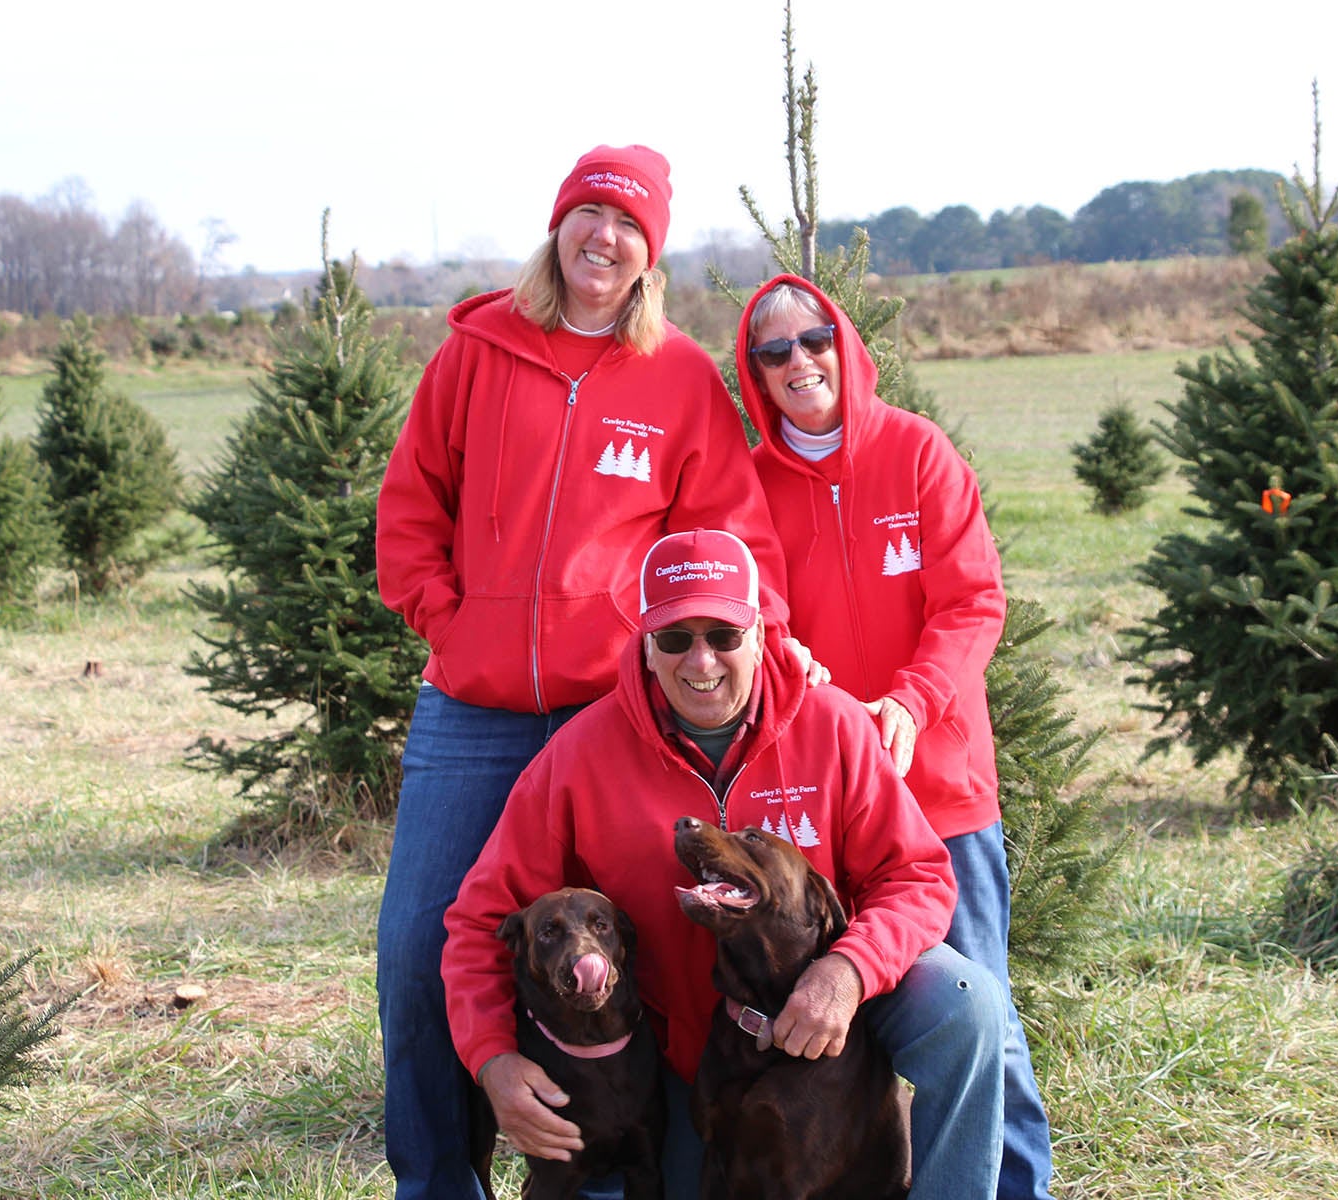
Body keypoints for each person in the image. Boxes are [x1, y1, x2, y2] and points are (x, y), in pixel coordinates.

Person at [374, 146, 792, 1200]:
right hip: (471, 712)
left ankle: (653, 1165)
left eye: (628, 223)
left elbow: (735, 551)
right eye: (588, 213)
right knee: (422, 957)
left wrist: (740, 668)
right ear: (558, 226)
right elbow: (411, 507)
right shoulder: (475, 352)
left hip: (612, 717)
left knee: (640, 950)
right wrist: (451, 625)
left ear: (652, 252)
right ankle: (438, 1183)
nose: (604, 237)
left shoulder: (680, 380)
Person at [442, 528, 1009, 1200]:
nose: (701, 661)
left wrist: (850, 970)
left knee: (967, 1007)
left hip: (831, 1013)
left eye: (724, 635)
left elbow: (915, 874)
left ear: (763, 636)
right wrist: (493, 1060)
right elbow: (483, 920)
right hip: (688, 1054)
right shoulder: (579, 757)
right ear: (647, 649)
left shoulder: (832, 726)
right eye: (676, 639)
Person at [734, 274, 1058, 1200]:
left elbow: (970, 602)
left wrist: (909, 706)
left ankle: (1017, 1186)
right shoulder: (752, 482)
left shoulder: (918, 454)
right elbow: (766, 614)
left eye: (812, 340)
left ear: (843, 342)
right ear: (754, 374)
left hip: (944, 796)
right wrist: (811, 684)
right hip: (827, 812)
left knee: (980, 1019)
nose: (798, 361)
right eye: (773, 351)